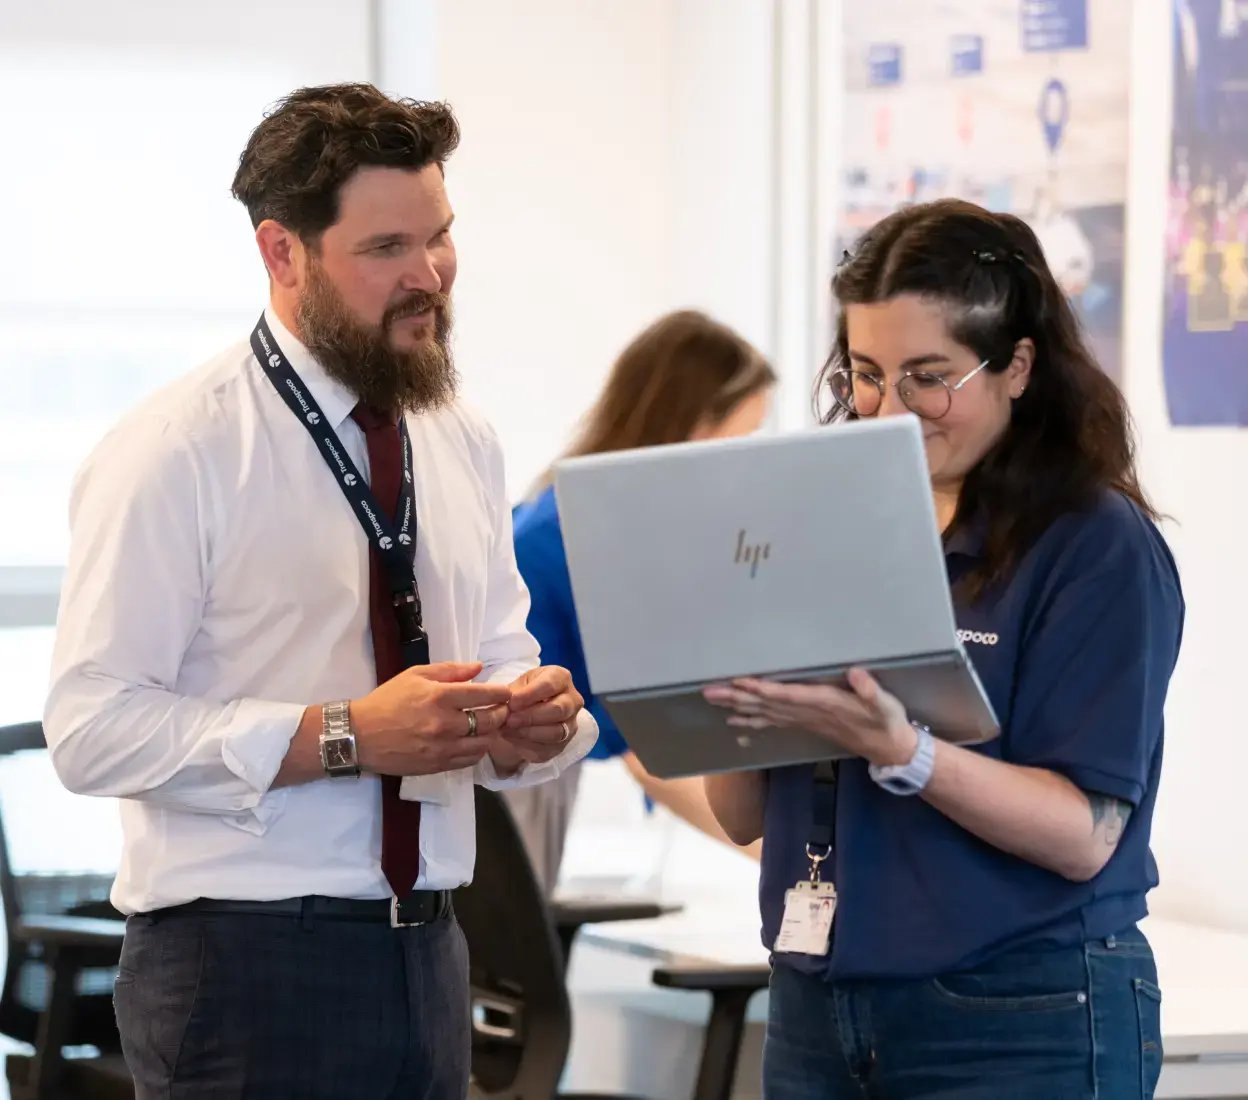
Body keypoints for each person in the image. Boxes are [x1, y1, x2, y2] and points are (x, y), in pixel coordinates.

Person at [43, 83, 595, 1099]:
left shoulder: (460, 437)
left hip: (430, 953)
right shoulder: (176, 451)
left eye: (441, 237)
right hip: (243, 964)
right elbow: (89, 728)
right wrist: (348, 732)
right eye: (387, 248)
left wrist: (533, 721)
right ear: (282, 253)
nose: (430, 275)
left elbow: (507, 649)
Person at [704, 198, 1183, 1099]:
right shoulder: (817, 520)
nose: (891, 408)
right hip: (815, 999)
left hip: (1017, 1011)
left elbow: (1085, 836)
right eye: (866, 373)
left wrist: (904, 751)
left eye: (930, 376)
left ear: (1017, 368)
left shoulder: (1094, 544)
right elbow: (740, 816)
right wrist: (722, 695)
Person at [506, 310, 775, 892]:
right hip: (514, 800)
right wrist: (782, 857)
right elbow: (647, 744)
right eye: (742, 439)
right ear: (696, 425)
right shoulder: (583, 540)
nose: (744, 463)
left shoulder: (570, 515)